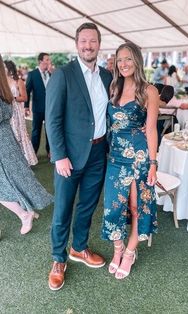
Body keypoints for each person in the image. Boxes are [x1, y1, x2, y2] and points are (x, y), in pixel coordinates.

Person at [45, 23, 113, 291]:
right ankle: (58, 259)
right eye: (83, 41)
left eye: (93, 41)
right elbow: (53, 119)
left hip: (98, 152)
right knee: (62, 208)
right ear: (76, 44)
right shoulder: (63, 75)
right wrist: (59, 155)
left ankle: (79, 248)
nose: (88, 45)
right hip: (69, 156)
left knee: (87, 205)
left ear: (99, 44)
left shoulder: (107, 76)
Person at [101, 42, 159, 279]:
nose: (123, 64)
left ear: (137, 61)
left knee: (136, 208)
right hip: (115, 158)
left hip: (139, 158)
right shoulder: (113, 87)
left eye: (128, 59)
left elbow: (152, 129)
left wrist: (153, 164)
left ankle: (130, 253)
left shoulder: (149, 91)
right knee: (113, 208)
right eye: (120, 59)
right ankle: (118, 249)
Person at [0, 54, 53, 235]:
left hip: (3, 142)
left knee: (8, 182)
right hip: (6, 138)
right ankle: (27, 209)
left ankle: (24, 214)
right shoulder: (4, 86)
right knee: (17, 177)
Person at [4, 60, 38, 166]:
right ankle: (12, 161)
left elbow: (24, 97)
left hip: (16, 112)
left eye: (4, 67)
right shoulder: (3, 82)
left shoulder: (18, 81)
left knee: (19, 133)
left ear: (9, 69)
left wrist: (12, 98)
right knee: (9, 135)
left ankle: (26, 160)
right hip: (6, 111)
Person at [25, 52, 51, 157]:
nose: (49, 62)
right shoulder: (32, 74)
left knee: (50, 131)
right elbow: (27, 90)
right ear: (41, 61)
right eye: (47, 60)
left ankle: (50, 151)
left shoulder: (51, 73)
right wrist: (26, 106)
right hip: (38, 109)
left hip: (50, 108)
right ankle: (33, 153)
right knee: (36, 132)